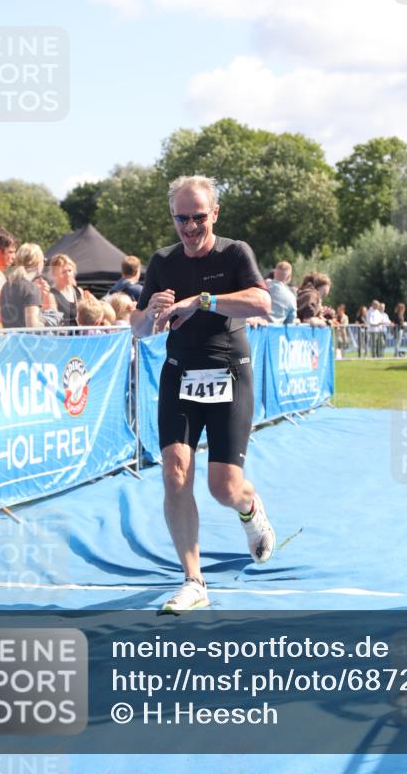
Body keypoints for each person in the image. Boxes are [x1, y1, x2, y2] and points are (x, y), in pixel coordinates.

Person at [130, 174, 274, 614]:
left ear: (214, 214)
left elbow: (263, 305)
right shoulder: (162, 261)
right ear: (172, 217)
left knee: (223, 487)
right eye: (181, 218)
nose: (190, 227)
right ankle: (194, 580)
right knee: (175, 473)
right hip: (179, 373)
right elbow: (137, 329)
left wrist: (202, 301)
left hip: (230, 372)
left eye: (198, 217)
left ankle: (250, 508)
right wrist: (151, 316)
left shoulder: (234, 253)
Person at [0, 243, 59, 329]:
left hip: (11, 339)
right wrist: (52, 319)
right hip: (28, 341)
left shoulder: (6, 285)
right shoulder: (31, 288)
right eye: (44, 261)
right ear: (38, 264)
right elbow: (32, 326)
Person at [48, 254, 84, 326]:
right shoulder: (51, 295)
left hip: (80, 335)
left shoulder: (79, 291)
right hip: (63, 336)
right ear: (54, 274)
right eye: (63, 272)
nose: (68, 275)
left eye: (69, 270)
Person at [266, 260, 297, 325]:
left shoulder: (260, 287)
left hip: (251, 329)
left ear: (274, 273)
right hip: (273, 332)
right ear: (289, 277)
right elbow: (290, 322)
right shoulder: (291, 297)